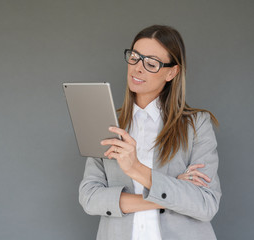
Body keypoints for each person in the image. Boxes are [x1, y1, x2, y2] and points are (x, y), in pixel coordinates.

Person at [79, 25, 221, 240]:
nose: (137, 68)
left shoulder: (196, 125)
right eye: (134, 57)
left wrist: (135, 168)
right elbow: (90, 198)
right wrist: (171, 192)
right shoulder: (107, 124)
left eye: (151, 64)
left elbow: (205, 204)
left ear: (171, 72)